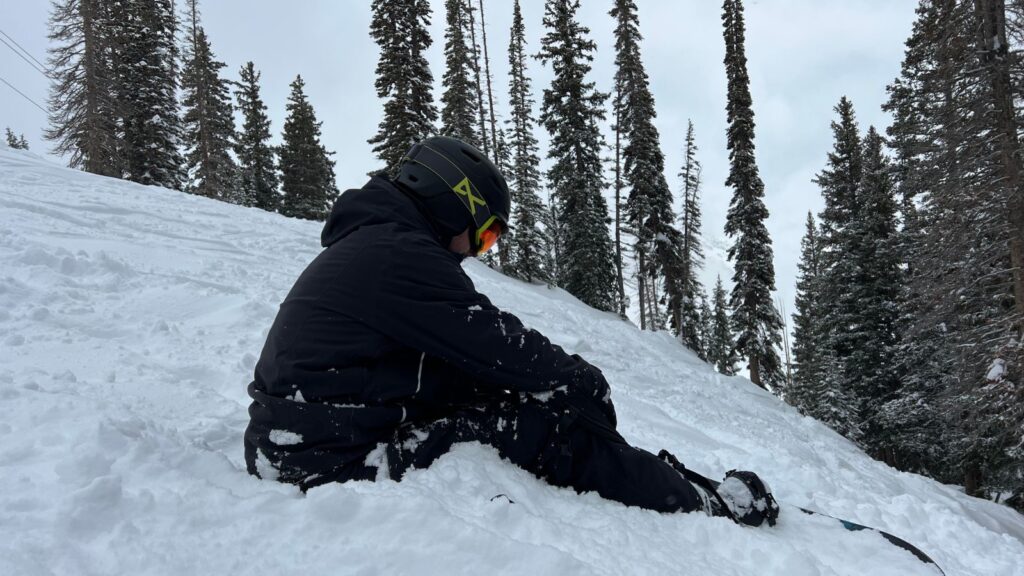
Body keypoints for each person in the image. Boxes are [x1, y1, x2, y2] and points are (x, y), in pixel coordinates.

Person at [243, 136, 780, 527]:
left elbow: (469, 358)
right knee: (542, 425)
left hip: (308, 442)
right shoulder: (397, 255)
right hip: (331, 462)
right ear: (455, 202)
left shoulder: (376, 244)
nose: (480, 249)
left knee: (504, 395)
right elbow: (499, 346)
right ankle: (704, 506)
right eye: (487, 233)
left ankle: (657, 477)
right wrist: (580, 379)